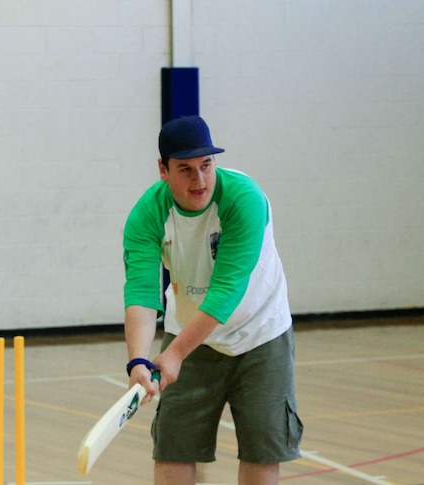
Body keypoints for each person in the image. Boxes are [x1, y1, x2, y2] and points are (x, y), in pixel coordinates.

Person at [122, 115, 303, 484]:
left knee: (262, 449)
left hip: (261, 336)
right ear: (163, 170)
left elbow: (225, 292)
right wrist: (137, 361)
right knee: (173, 446)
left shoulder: (244, 199)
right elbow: (141, 293)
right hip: (189, 332)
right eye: (185, 169)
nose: (199, 180)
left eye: (206, 165)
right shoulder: (147, 214)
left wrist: (173, 355)